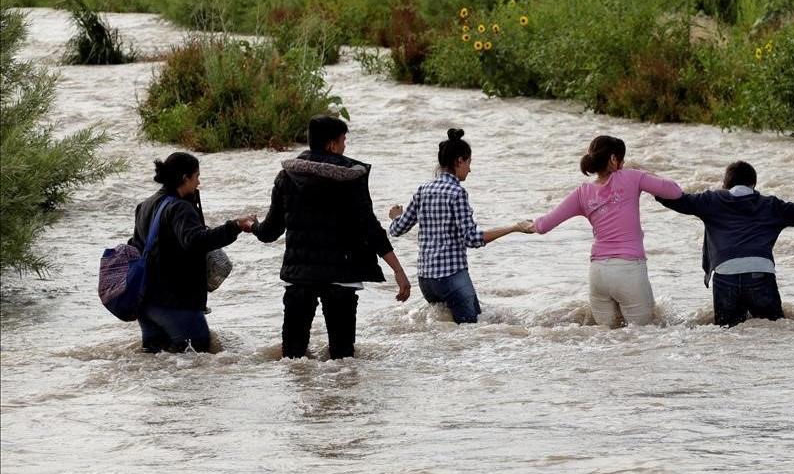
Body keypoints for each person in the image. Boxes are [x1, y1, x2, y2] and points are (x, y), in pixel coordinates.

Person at [253, 115, 412, 359]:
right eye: (343, 141)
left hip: (299, 278)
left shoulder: (286, 178)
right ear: (331, 145)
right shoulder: (352, 179)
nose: (345, 146)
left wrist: (251, 226)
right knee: (343, 359)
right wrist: (398, 271)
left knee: (293, 359)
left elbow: (270, 231)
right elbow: (371, 229)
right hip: (342, 276)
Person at [656, 160, 794, 327]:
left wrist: (645, 184)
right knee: (774, 328)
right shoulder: (771, 205)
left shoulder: (711, 200)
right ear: (753, 184)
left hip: (726, 274)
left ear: (725, 184)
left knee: (726, 334)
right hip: (761, 273)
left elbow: (677, 200)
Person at [530, 135, 683, 327]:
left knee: (606, 342)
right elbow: (675, 191)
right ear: (613, 159)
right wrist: (646, 173)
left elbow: (543, 225)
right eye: (622, 159)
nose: (624, 164)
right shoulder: (632, 176)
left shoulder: (582, 192)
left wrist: (522, 226)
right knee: (645, 340)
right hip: (629, 270)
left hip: (598, 274)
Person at [387, 128, 533, 324]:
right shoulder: (457, 192)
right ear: (459, 161)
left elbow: (396, 229)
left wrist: (396, 216)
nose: (470, 169)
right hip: (451, 277)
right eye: (469, 163)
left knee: (446, 334)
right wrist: (514, 227)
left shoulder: (423, 190)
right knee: (472, 331)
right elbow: (472, 239)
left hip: (426, 280)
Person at [131, 152, 256, 353]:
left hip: (147, 303)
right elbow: (196, 241)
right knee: (197, 361)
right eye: (197, 176)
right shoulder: (180, 208)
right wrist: (235, 226)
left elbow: (135, 246)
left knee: (157, 366)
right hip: (176, 304)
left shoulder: (144, 206)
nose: (199, 182)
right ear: (185, 178)